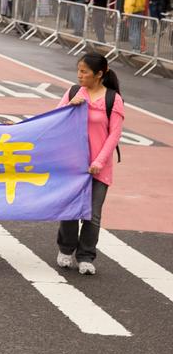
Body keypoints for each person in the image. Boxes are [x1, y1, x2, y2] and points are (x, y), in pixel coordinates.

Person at [55, 53, 125, 275]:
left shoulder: (112, 99)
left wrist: (99, 161)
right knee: (69, 210)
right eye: (79, 70)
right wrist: (70, 106)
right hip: (72, 164)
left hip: (98, 166)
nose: (80, 75)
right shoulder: (74, 92)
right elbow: (54, 119)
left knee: (92, 214)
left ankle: (86, 255)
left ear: (99, 74)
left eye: (84, 71)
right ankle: (66, 249)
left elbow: (114, 135)